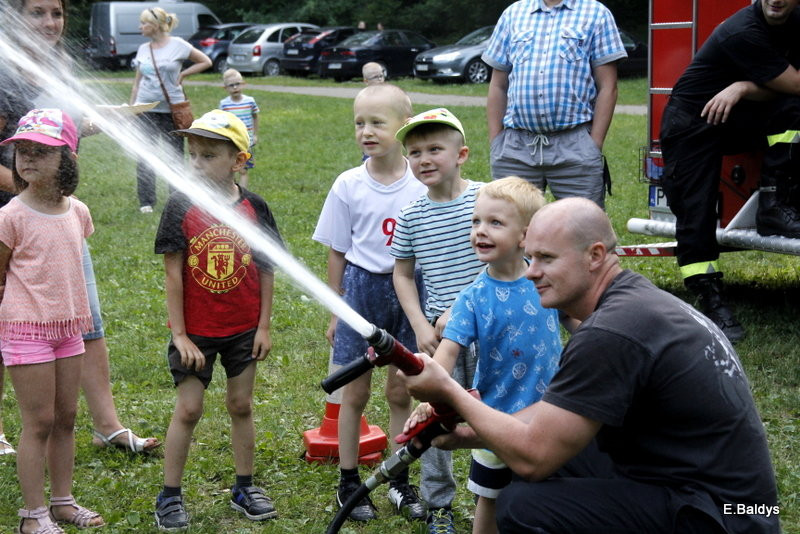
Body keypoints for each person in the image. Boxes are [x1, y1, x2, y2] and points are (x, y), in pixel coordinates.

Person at [400, 197, 781, 534]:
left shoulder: (611, 332)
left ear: (595, 255)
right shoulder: (632, 300)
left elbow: (534, 458)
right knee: (551, 456)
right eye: (531, 257)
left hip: (727, 516)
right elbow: (554, 419)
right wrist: (467, 437)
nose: (531, 271)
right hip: (722, 497)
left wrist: (449, 391)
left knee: (523, 506)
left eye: (547, 258)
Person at [0, 0, 159, 457]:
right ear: (15, 17)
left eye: (57, 13)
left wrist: (83, 129)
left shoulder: (58, 65)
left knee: (85, 317)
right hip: (12, 219)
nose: (50, 23)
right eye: (37, 13)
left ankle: (107, 425)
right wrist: (27, 191)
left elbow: (56, 134)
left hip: (57, 215)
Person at [405, 177, 562, 534]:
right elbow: (445, 354)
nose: (480, 231)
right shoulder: (473, 298)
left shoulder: (544, 280)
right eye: (476, 222)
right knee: (489, 499)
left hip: (549, 413)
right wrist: (429, 399)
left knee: (547, 496)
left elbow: (577, 321)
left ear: (525, 236)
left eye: (495, 223)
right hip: (495, 420)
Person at [153, 109, 282, 530]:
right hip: (197, 333)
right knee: (188, 410)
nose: (196, 163)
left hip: (243, 328)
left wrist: (262, 326)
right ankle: (170, 495)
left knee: (241, 405)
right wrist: (181, 335)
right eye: (193, 154)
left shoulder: (254, 208)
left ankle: (244, 486)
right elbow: (173, 273)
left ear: (238, 161)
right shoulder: (180, 206)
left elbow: (266, 268)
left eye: (208, 155)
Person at [313, 83, 428, 523]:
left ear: (404, 125)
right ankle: (349, 482)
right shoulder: (348, 184)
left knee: (403, 388)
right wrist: (335, 311)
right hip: (360, 295)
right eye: (360, 123)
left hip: (409, 292)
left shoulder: (421, 182)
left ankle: (399, 480)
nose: (367, 131)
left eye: (378, 122)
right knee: (352, 392)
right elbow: (338, 252)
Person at [659, 0, 800, 343]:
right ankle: (709, 295)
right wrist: (747, 88)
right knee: (698, 212)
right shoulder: (742, 31)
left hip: (734, 114)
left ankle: (774, 203)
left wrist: (743, 87)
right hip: (691, 121)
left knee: (793, 110)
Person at [0, 108, 105, 534]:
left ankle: (62, 502)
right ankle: (33, 515)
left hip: (69, 330)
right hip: (27, 330)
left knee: (66, 418)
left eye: (41, 152)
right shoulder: (10, 216)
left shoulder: (77, 212)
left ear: (68, 159)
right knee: (38, 422)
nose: (28, 159)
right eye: (23, 151)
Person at [391, 108, 485, 533]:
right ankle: (439, 505)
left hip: (491, 332)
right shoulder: (412, 215)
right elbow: (403, 273)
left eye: (434, 149)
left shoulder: (486, 199)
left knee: (502, 410)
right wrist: (420, 324)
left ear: (461, 153)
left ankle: (506, 491)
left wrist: (460, 309)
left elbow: (508, 257)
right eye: (415, 152)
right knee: (432, 415)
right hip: (439, 339)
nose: (424, 159)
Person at [482, 0, 627, 208]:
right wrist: (496, 141)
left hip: (575, 147)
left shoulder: (596, 13)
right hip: (516, 148)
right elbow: (498, 86)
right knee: (510, 231)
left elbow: (608, 87)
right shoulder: (513, 14)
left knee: (580, 230)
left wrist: (593, 145)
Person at [129, 6, 211, 214]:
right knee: (145, 155)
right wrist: (131, 109)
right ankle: (146, 202)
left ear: (155, 25)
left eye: (144, 23)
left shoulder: (178, 45)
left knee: (174, 156)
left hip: (171, 112)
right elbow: (137, 83)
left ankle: (176, 198)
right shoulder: (143, 49)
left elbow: (205, 61)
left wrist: (184, 74)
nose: (140, 27)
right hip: (145, 109)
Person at [219, 68, 259, 189]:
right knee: (231, 169)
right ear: (225, 88)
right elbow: (222, 122)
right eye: (231, 85)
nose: (235, 87)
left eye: (237, 84)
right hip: (231, 141)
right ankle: (232, 190)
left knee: (243, 170)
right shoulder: (224, 104)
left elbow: (255, 116)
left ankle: (243, 194)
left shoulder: (250, 101)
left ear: (243, 84)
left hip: (246, 142)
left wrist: (255, 134)